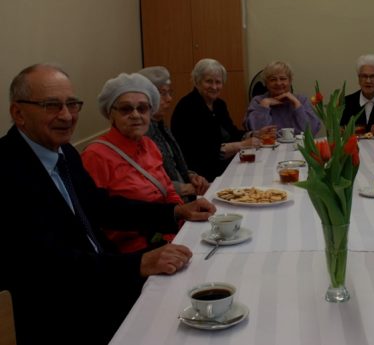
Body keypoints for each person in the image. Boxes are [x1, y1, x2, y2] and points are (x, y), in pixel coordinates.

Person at [0, 64, 216, 345]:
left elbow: (101, 207)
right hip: (61, 313)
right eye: (51, 105)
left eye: (72, 104)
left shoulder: (65, 152)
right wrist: (138, 263)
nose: (66, 116)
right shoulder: (6, 170)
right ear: (18, 113)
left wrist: (174, 211)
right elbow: (44, 265)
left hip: (102, 281)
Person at [81, 73, 189, 253]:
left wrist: (183, 217)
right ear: (111, 114)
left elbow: (169, 191)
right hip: (133, 251)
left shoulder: (150, 145)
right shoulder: (95, 155)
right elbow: (98, 217)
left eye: (143, 108)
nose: (136, 115)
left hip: (170, 235)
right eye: (126, 109)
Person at [171, 58, 261, 181]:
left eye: (218, 82)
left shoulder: (219, 105)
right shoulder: (187, 107)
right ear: (197, 81)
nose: (214, 87)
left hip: (224, 165)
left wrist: (253, 134)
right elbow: (204, 151)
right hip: (201, 175)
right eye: (209, 81)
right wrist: (242, 145)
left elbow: (232, 132)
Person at [138, 66, 209, 202]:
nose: (169, 99)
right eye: (163, 93)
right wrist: (184, 188)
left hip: (183, 199)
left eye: (169, 92)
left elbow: (175, 165)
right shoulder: (142, 132)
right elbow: (147, 182)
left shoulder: (161, 125)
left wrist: (191, 176)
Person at [244, 60, 321, 134]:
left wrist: (297, 104)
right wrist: (265, 104)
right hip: (269, 143)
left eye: (283, 79)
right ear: (266, 83)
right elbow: (257, 133)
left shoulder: (301, 100)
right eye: (273, 79)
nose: (278, 83)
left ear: (290, 81)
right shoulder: (258, 101)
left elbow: (312, 130)